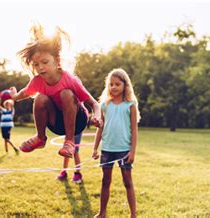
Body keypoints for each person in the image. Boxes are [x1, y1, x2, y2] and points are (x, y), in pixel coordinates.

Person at [9, 23, 101, 158]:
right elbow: (23, 93)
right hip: (56, 124)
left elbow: (94, 103)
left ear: (57, 61)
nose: (40, 68)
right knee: (40, 97)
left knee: (66, 93)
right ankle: (40, 138)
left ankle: (69, 142)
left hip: (78, 121)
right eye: (36, 64)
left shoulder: (69, 79)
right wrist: (14, 96)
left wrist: (97, 116)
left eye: (45, 62)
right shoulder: (37, 81)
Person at [92, 68, 140, 218]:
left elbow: (134, 130)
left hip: (124, 150)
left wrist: (132, 151)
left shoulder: (130, 105)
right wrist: (95, 148)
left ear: (125, 86)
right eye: (111, 84)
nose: (113, 87)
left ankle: (133, 214)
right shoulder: (105, 105)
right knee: (105, 181)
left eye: (117, 84)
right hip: (107, 149)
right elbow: (100, 128)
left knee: (128, 182)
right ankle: (102, 213)